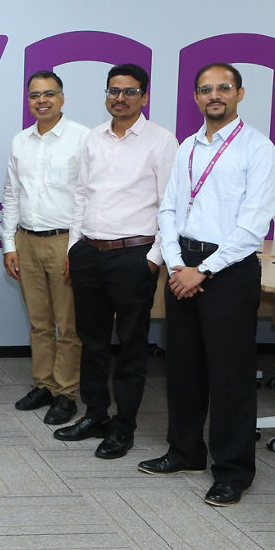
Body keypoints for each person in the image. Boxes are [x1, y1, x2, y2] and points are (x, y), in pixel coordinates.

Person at [140, 63, 275, 506]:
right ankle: (185, 452)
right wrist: (181, 264)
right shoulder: (188, 146)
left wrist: (204, 270)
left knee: (229, 375)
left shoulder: (258, 150)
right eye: (205, 89)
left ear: (239, 93)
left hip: (229, 269)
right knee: (183, 367)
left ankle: (233, 471)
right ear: (196, 97)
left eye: (223, 88)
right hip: (184, 263)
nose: (214, 95)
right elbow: (168, 209)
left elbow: (251, 227)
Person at [55, 63, 177, 459]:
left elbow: (170, 205)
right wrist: (75, 248)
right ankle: (96, 414)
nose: (119, 98)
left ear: (143, 96)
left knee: (130, 346)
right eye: (113, 91)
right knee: (91, 342)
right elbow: (80, 196)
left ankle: (124, 426)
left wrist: (154, 258)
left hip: (134, 256)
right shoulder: (93, 138)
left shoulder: (161, 141)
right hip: (89, 253)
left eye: (128, 91)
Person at [1, 71, 88, 426]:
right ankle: (44, 384)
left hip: (64, 241)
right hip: (26, 239)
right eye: (35, 95)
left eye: (49, 94)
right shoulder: (20, 140)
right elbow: (10, 193)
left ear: (62, 98)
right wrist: (9, 244)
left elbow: (85, 197)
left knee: (67, 325)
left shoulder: (82, 138)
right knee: (39, 323)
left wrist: (76, 248)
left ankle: (66, 392)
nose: (42, 101)